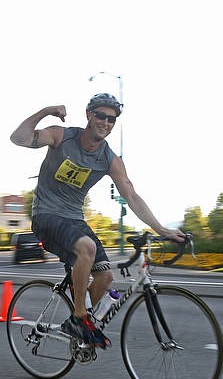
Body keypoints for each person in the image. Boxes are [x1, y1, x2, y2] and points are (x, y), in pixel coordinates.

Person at [10, 93, 184, 348]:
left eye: (111, 119)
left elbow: (132, 195)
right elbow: (19, 138)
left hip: (74, 221)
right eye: (101, 115)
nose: (106, 122)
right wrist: (46, 110)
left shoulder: (109, 159)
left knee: (105, 278)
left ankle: (76, 324)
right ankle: (80, 317)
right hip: (46, 216)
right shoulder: (61, 136)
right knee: (87, 248)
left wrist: (161, 229)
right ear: (89, 115)